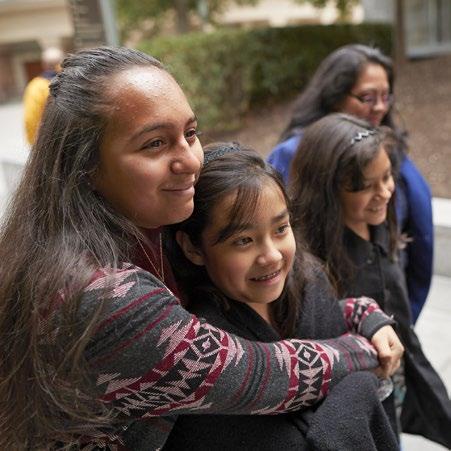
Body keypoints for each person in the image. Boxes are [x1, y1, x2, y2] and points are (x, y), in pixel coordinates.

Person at [0, 46, 386, 450]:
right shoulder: (101, 296)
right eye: (154, 144)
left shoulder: (153, 230)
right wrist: (363, 352)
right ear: (87, 167)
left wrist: (364, 314)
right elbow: (260, 377)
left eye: (190, 133)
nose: (189, 160)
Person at [163, 142, 402, 450]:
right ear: (193, 247)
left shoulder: (308, 282)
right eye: (244, 240)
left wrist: (365, 315)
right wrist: (359, 384)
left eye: (280, 229)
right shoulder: (203, 353)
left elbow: (331, 320)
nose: (271, 256)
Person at [289, 113, 451, 448]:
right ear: (326, 190)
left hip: (400, 376)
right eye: (364, 186)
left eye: (387, 177)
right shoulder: (309, 265)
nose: (384, 192)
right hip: (357, 397)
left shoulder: (380, 223)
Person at [267, 44, 433, 323]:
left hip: (392, 299)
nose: (380, 107)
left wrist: (406, 315)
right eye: (367, 97)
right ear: (334, 96)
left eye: (385, 96)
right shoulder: (293, 154)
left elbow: (422, 231)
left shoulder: (388, 149)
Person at [23, 46, 64, 146]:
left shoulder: (36, 86)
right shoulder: (72, 83)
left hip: (48, 144)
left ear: (44, 64)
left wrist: (35, 143)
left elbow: (30, 119)